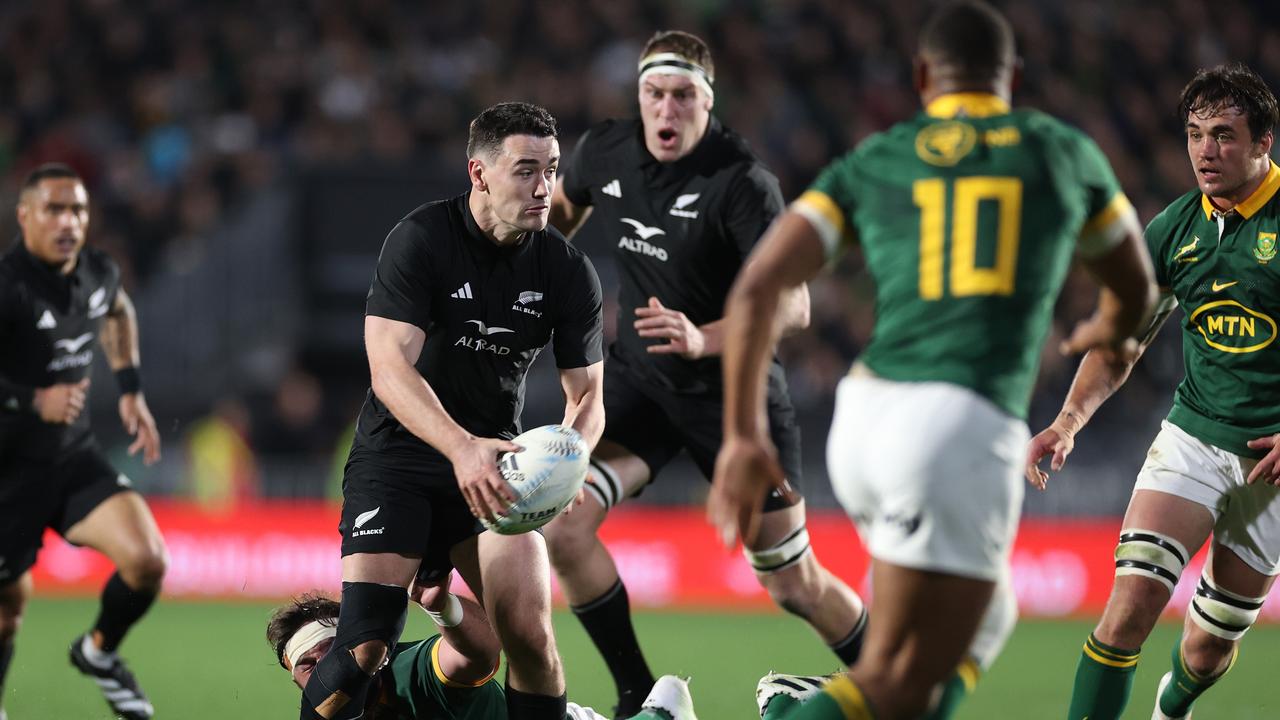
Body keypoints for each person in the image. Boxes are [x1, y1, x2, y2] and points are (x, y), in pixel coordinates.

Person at [707, 1, 1159, 718]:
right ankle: (792, 714)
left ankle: (808, 705)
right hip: (956, 428)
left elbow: (760, 284)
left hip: (862, 421)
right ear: (1012, 75)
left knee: (978, 623)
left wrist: (740, 435)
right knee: (899, 683)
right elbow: (1137, 287)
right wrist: (1114, 322)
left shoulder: (878, 156)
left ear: (922, 76)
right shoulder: (1059, 150)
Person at [545, 30, 867, 716]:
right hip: (639, 382)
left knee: (792, 584)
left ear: (707, 101)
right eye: (654, 94)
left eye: (683, 96)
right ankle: (638, 698)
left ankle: (901, 688)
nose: (667, 111)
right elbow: (560, 223)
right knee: (561, 526)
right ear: (638, 97)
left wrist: (703, 335)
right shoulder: (603, 151)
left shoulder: (741, 182)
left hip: (735, 398)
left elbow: (796, 306)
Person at [298, 102, 605, 720]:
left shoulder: (569, 272)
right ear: (479, 173)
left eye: (550, 170)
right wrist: (459, 446)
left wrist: (577, 455)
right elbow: (388, 368)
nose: (544, 187)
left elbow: (588, 395)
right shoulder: (422, 239)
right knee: (366, 643)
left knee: (531, 639)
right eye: (525, 170)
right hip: (399, 457)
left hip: (496, 470)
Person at [1027, 62, 1280, 720]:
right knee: (1129, 607)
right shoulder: (1175, 229)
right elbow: (1121, 343)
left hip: (1271, 469)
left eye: (1224, 135)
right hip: (1194, 437)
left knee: (1205, 650)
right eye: (1195, 134)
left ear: (1263, 143)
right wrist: (1069, 420)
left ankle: (1175, 703)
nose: (1205, 151)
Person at [0, 162, 167, 720]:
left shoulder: (98, 271)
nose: (68, 220)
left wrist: (130, 388)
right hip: (8, 471)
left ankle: (98, 652)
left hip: (70, 458)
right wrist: (32, 399)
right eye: (54, 209)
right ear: (25, 216)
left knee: (146, 560)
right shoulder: (8, 288)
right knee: (8, 612)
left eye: (77, 209)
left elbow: (117, 311)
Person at [269, 582, 697, 720]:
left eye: (327, 651)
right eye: (306, 666)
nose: (320, 669)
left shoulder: (409, 670)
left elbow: (478, 653)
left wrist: (442, 605)